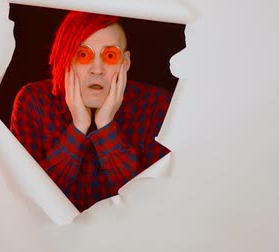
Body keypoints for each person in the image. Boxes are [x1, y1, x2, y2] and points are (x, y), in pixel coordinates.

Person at [10, 11, 171, 212]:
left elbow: (152, 204)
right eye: (83, 54)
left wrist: (106, 127)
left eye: (110, 55)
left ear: (125, 63)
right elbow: (27, 199)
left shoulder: (155, 104)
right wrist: (78, 128)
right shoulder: (33, 101)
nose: (97, 69)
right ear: (67, 59)